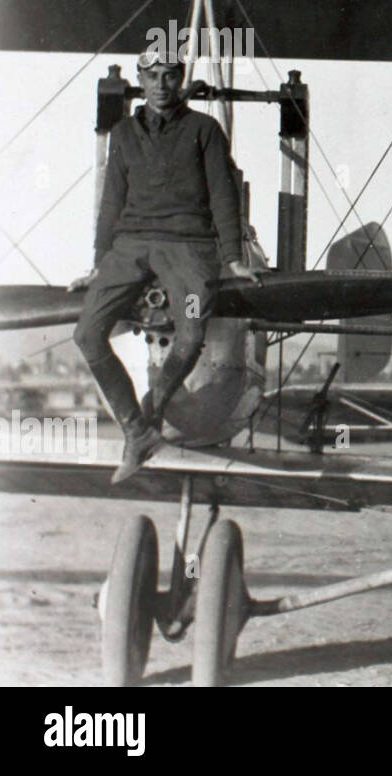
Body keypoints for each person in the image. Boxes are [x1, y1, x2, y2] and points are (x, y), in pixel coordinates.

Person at [71, 47, 259, 484]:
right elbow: (111, 202)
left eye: (170, 75)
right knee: (87, 334)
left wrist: (231, 258)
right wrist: (100, 263)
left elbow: (222, 196)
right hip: (130, 246)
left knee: (191, 332)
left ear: (181, 79)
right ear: (141, 78)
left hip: (189, 250)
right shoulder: (123, 134)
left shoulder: (205, 130)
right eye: (152, 76)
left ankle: (148, 421)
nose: (161, 84)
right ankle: (138, 431)